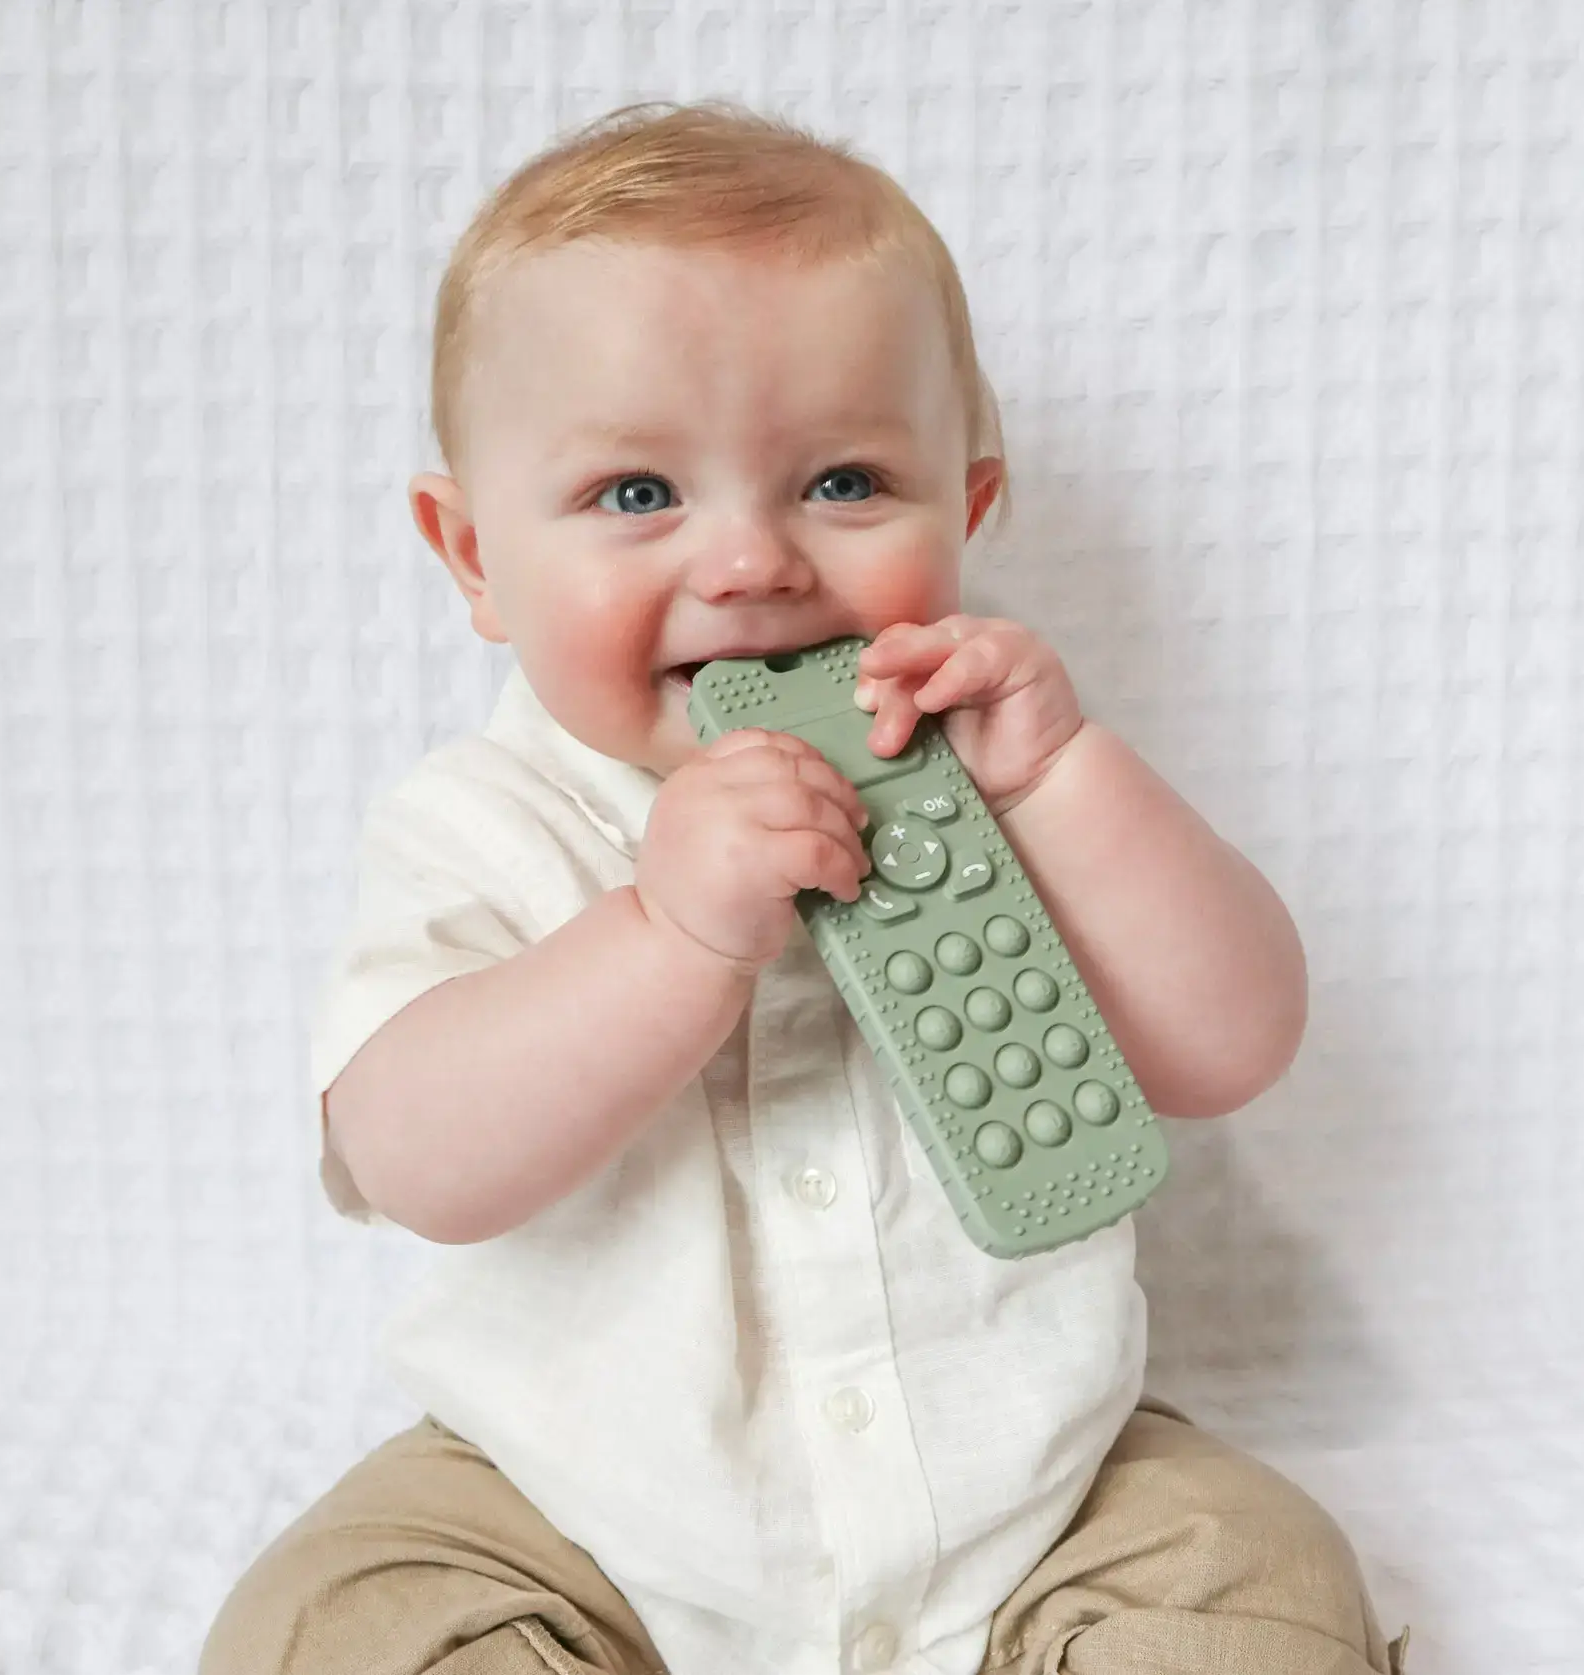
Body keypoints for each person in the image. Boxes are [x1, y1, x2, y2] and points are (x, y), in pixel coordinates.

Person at [200, 100, 1406, 1675]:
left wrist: (1064, 784)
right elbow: (416, 1155)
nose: (752, 561)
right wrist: (665, 933)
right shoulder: (480, 822)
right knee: (336, 1622)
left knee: (1257, 1575)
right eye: (637, 493)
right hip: (566, 1504)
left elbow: (1232, 1040)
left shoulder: (1010, 774)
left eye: (843, 481)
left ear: (963, 509)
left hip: (1033, 1490)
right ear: (473, 554)